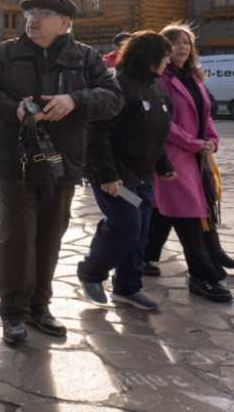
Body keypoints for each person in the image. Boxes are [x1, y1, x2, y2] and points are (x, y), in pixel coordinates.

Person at [0, 0, 122, 347]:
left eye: (43, 13)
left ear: (65, 23)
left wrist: (76, 100)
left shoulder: (84, 58)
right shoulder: (5, 53)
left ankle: (40, 307)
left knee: (51, 236)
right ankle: (13, 313)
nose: (32, 19)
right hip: (14, 163)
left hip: (63, 164)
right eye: (29, 12)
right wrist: (15, 110)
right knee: (17, 237)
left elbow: (114, 99)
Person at [77, 31, 176, 311]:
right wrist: (107, 175)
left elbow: (156, 131)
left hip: (142, 176)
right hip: (116, 176)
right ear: (150, 58)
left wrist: (163, 164)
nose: (168, 61)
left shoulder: (156, 87)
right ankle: (91, 272)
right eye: (165, 55)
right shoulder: (117, 86)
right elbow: (96, 134)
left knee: (140, 229)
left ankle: (127, 288)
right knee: (126, 224)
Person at [143, 23, 231, 302]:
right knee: (189, 213)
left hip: (196, 157)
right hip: (173, 156)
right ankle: (201, 274)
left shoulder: (194, 77)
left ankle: (144, 256)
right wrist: (195, 144)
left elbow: (205, 116)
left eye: (186, 42)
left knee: (166, 210)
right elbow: (163, 122)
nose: (182, 47)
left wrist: (212, 140)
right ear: (164, 49)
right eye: (175, 42)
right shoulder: (159, 79)